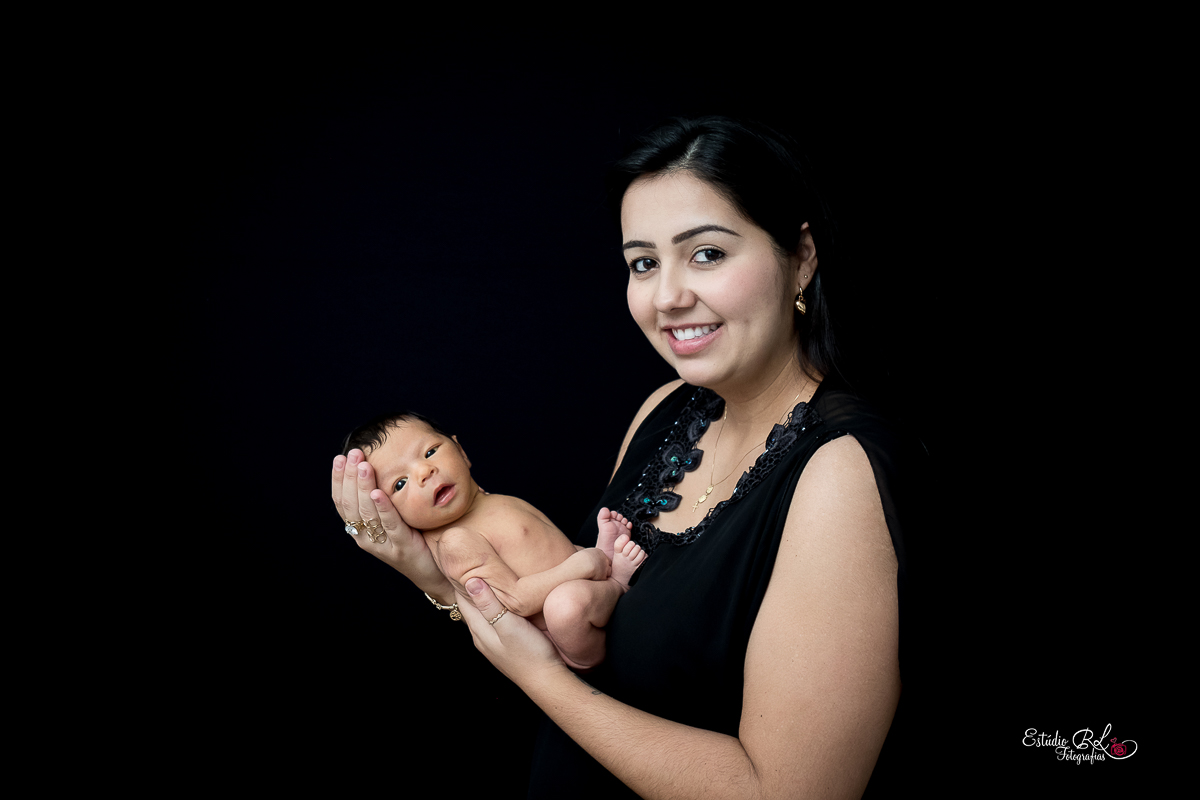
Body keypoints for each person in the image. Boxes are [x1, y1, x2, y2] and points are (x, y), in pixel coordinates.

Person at [330, 116, 921, 799]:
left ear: (802, 257)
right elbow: (591, 653)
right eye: (643, 263)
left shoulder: (839, 473)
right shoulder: (666, 410)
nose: (667, 298)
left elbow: (786, 794)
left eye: (707, 254)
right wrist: (431, 576)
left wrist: (538, 677)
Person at [334, 411, 646, 670]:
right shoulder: (456, 542)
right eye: (400, 484)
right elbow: (517, 600)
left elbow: (547, 551)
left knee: (570, 581)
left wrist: (579, 558)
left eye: (429, 452)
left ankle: (603, 570)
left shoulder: (487, 501)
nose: (425, 472)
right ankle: (617, 583)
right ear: (392, 516)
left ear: (461, 451)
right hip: (566, 635)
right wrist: (584, 563)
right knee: (564, 607)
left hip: (580, 585)